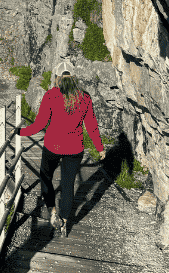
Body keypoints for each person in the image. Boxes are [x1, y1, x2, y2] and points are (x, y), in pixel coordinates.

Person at [19, 60, 105, 237]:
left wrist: (21, 132)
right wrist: (100, 148)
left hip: (53, 146)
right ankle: (65, 221)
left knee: (46, 177)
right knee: (67, 185)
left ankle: (52, 211)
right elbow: (92, 126)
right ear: (74, 78)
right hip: (75, 149)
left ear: (57, 78)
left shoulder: (51, 95)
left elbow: (40, 124)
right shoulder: (85, 97)